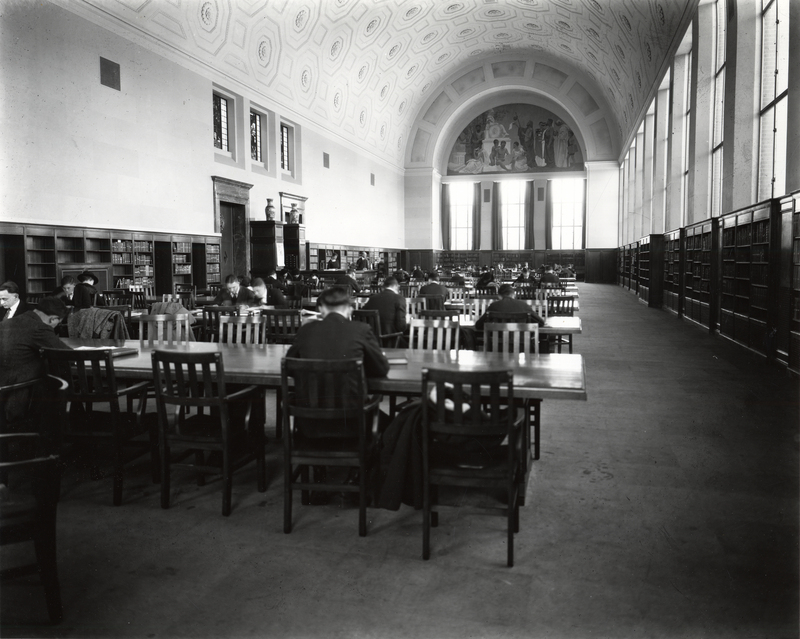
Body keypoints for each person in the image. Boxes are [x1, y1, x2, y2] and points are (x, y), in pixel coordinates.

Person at [286, 286, 390, 504]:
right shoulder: (361, 330)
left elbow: (290, 366)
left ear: (321, 308)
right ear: (350, 309)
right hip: (352, 424)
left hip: (310, 425)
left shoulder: (306, 331)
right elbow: (381, 369)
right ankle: (355, 480)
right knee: (386, 421)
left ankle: (320, 480)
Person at [0, 296, 71, 422]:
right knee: (57, 378)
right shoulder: (39, 327)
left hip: (4, 385)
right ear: (53, 319)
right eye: (57, 323)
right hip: (16, 392)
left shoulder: (8, 322)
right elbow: (66, 354)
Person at [474, 284, 545, 332]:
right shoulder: (524, 305)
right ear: (514, 295)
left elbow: (478, 325)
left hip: (497, 346)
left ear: (499, 296)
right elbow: (541, 323)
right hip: (522, 345)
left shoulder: (493, 306)